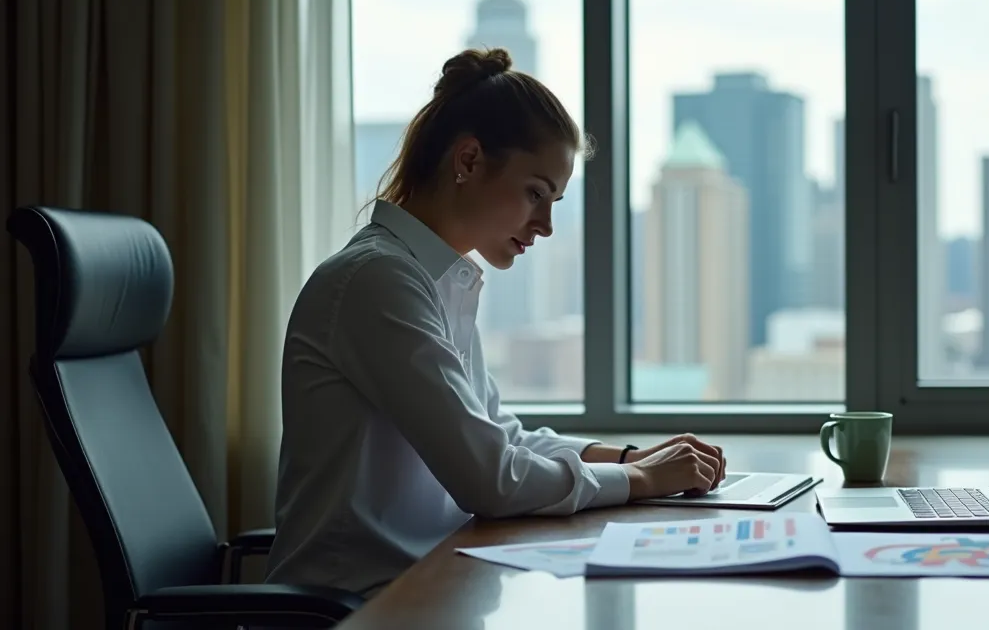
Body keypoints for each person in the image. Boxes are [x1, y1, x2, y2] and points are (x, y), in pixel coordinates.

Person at [264, 47, 727, 597]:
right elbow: (490, 479)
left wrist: (629, 458)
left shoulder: (440, 281)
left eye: (554, 200)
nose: (547, 225)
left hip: (436, 583)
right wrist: (642, 480)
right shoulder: (376, 283)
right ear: (467, 160)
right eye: (536, 193)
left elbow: (502, 439)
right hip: (359, 604)